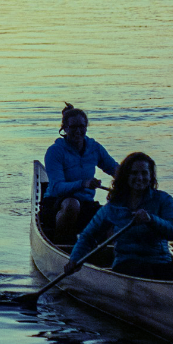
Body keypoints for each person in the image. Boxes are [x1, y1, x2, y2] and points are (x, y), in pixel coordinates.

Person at [61, 151, 173, 280]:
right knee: (136, 268)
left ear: (151, 176)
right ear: (126, 176)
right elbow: (88, 236)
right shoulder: (114, 206)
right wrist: (75, 259)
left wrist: (151, 219)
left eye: (144, 173)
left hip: (159, 263)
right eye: (134, 173)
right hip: (127, 265)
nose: (140, 178)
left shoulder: (164, 200)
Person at [41, 103, 118, 243]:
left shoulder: (94, 148)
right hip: (56, 204)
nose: (78, 131)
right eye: (73, 127)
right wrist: (83, 183)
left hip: (86, 204)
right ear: (64, 128)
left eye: (81, 127)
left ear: (86, 127)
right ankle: (62, 243)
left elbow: (116, 170)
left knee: (115, 213)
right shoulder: (55, 151)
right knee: (72, 204)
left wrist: (133, 183)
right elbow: (57, 187)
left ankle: (110, 252)